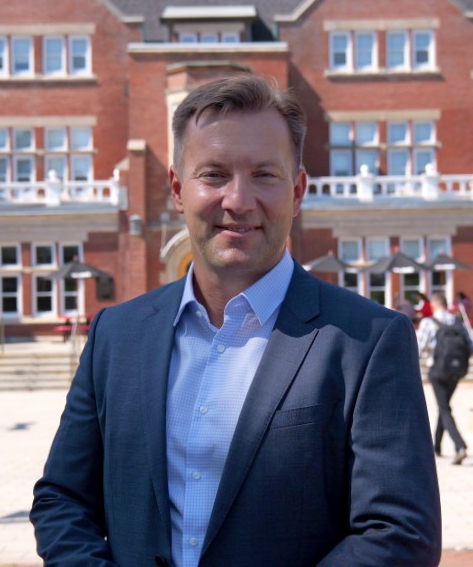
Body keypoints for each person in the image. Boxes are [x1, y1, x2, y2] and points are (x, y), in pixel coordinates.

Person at [32, 74, 442, 566]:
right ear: (178, 189)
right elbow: (62, 499)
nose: (238, 200)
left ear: (298, 190)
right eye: (215, 174)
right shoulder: (116, 335)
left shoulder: (367, 341)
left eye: (265, 175)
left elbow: (400, 533)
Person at [417, 290, 473, 465]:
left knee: (444, 408)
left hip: (437, 372)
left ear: (433, 305)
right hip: (456, 371)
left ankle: (460, 446)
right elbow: (472, 347)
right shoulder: (456, 320)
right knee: (444, 406)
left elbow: (418, 349)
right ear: (446, 304)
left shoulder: (428, 323)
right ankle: (437, 446)